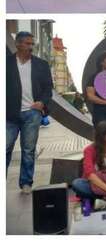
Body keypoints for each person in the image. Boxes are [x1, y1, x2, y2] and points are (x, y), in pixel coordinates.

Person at [6, 32, 53, 193]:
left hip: (32, 113)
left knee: (28, 150)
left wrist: (42, 103)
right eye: (27, 44)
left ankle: (26, 183)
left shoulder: (41, 64)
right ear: (18, 44)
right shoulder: (6, 63)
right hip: (9, 114)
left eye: (32, 44)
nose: (31, 47)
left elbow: (48, 88)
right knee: (5, 148)